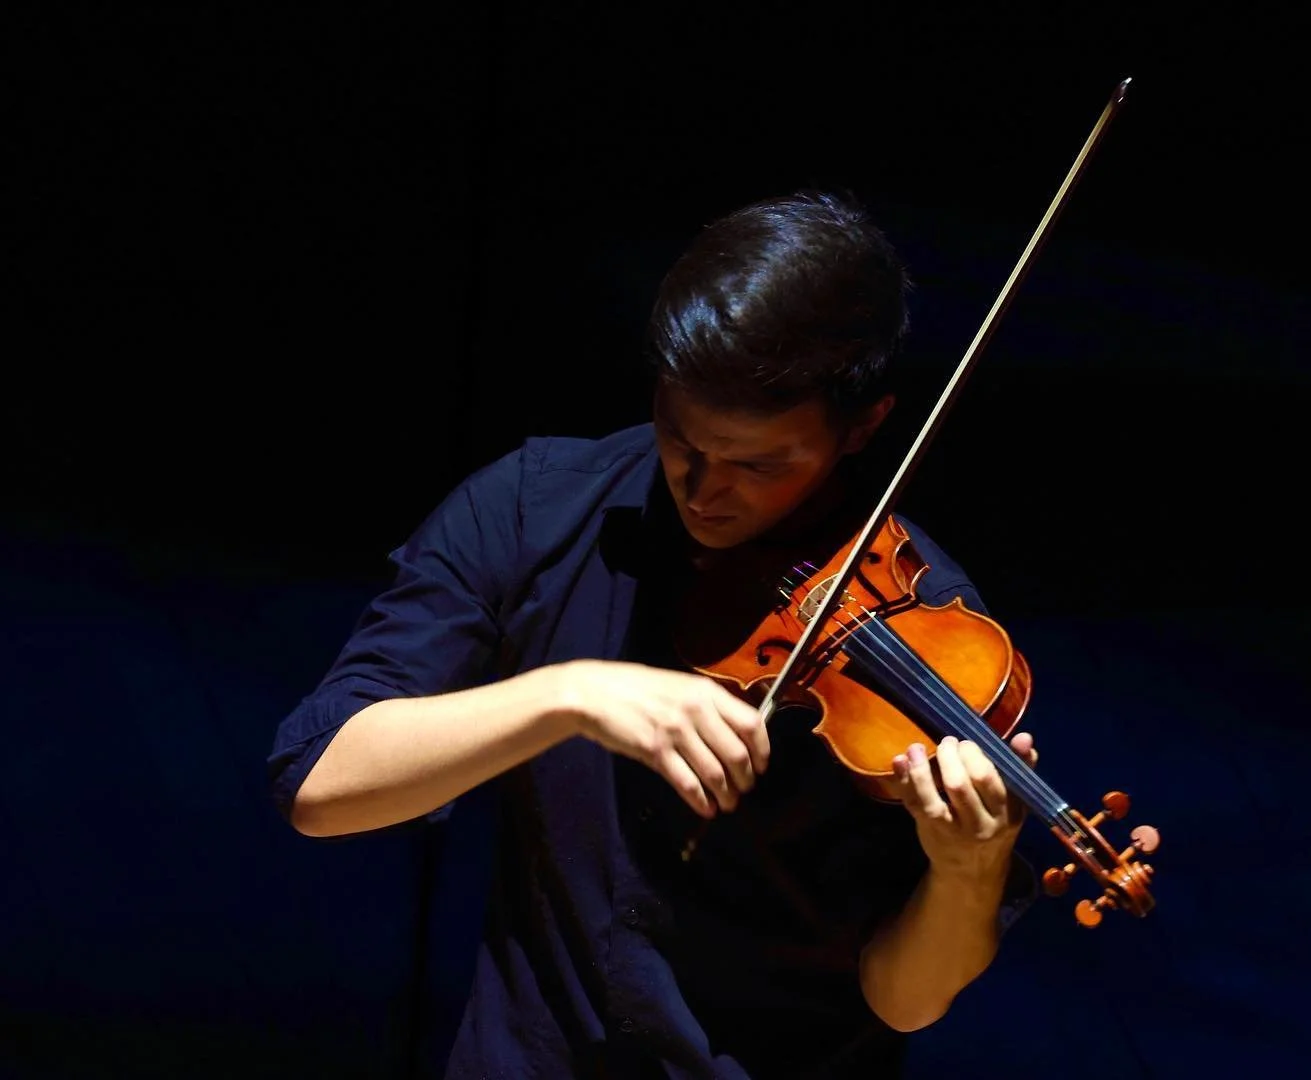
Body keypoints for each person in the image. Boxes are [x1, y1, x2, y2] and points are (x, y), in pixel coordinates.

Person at [267, 189, 1039, 1079]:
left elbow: (901, 998)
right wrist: (566, 694)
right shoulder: (536, 507)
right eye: (681, 440)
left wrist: (967, 874)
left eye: (758, 465)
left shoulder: (934, 629)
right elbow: (318, 784)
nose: (704, 490)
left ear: (862, 426)